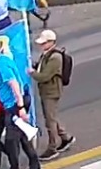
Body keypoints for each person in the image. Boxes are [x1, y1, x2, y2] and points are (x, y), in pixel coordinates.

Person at [31, 29, 74, 159]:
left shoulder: (55, 57)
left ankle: (52, 147)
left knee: (50, 120)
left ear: (51, 42)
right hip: (47, 90)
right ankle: (66, 137)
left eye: (44, 43)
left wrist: (32, 73)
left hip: (51, 91)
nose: (41, 45)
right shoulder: (47, 54)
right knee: (52, 117)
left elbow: (44, 76)